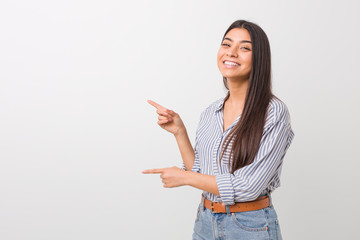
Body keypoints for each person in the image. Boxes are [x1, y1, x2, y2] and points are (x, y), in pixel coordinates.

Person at [142, 19, 295, 240]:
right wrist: (179, 132)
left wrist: (184, 177)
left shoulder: (273, 112)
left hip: (249, 226)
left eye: (244, 48)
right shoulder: (211, 112)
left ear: (260, 58)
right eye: (226, 44)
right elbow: (201, 173)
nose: (231, 53)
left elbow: (249, 186)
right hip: (205, 221)